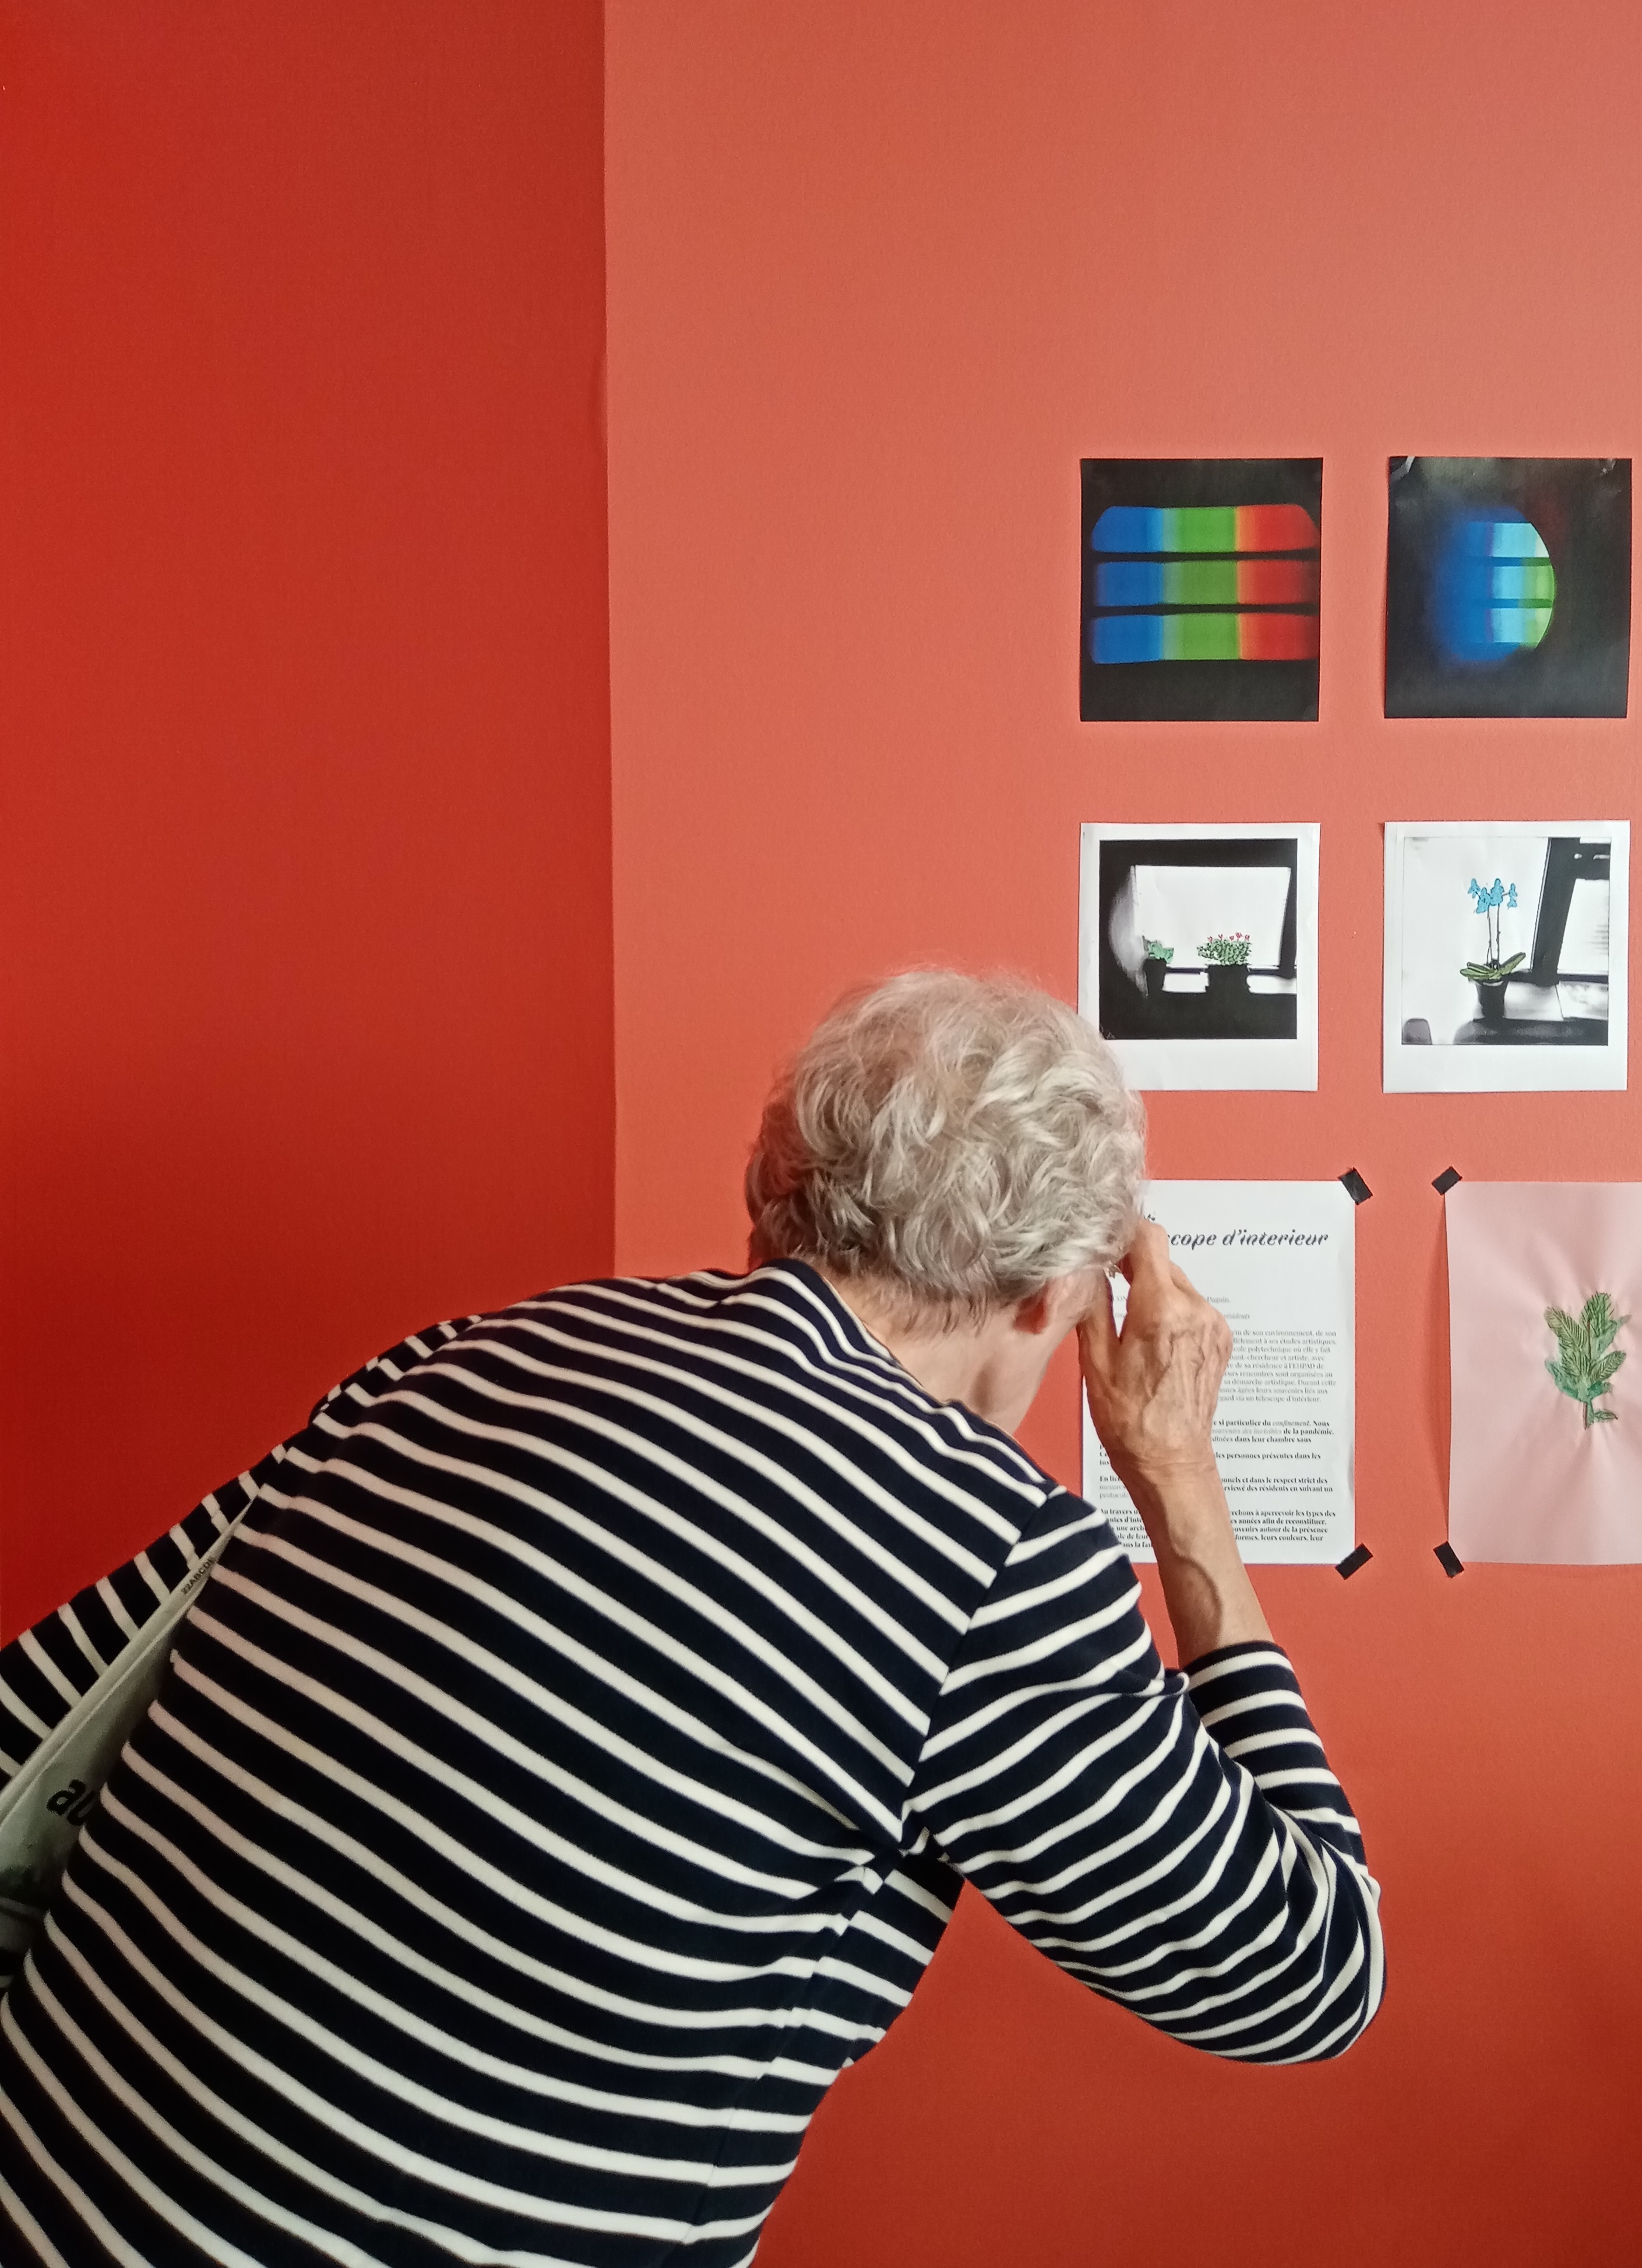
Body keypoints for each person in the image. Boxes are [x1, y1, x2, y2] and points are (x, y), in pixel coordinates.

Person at [0, 971, 1383, 2267]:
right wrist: (1178, 1475)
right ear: (1051, 1294)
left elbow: (44, 1710)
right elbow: (1309, 1975)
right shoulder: (986, 1558)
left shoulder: (467, 1357)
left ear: (771, 1195)